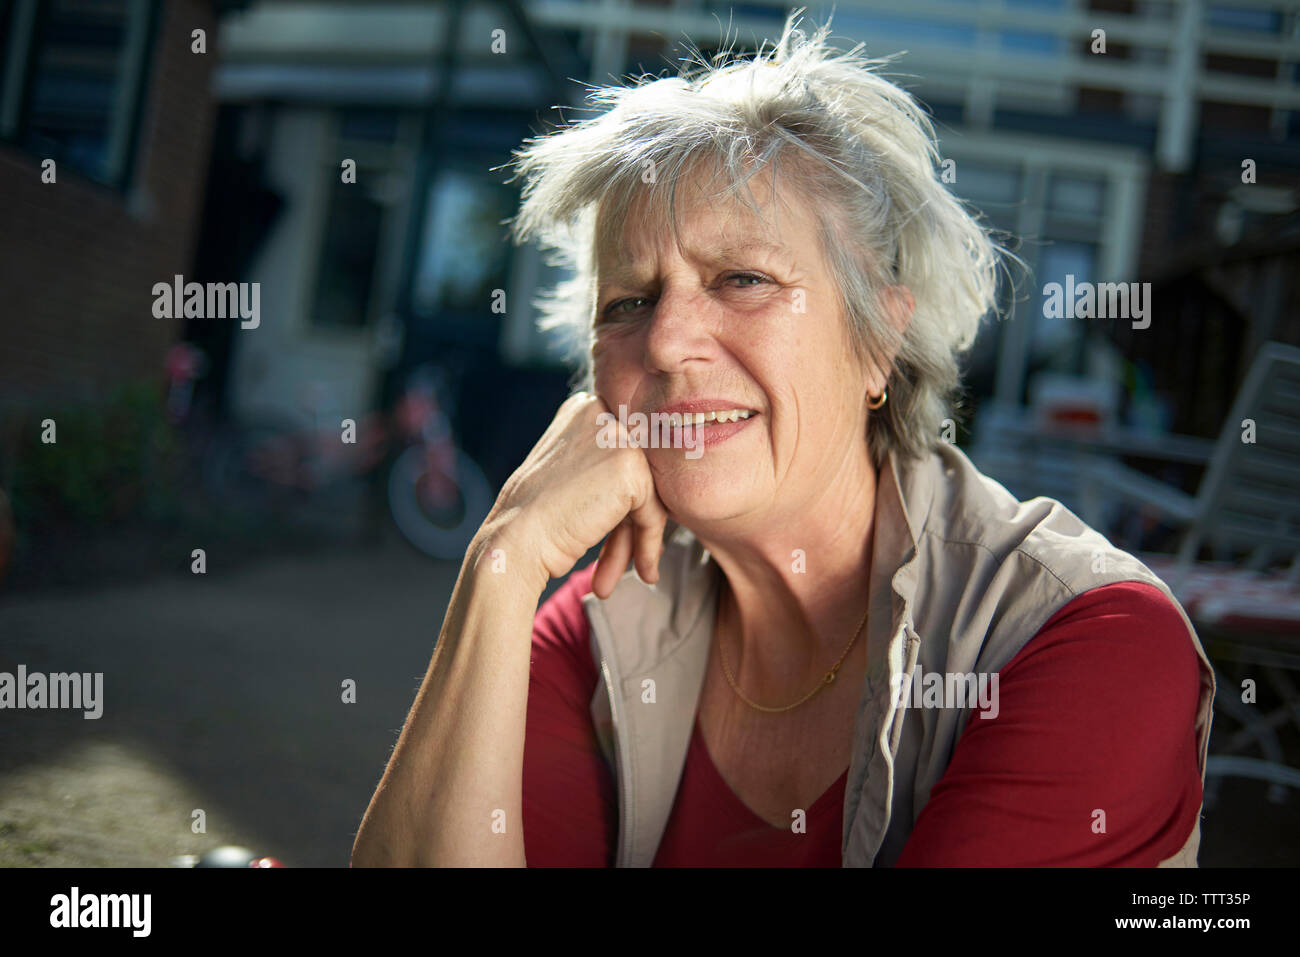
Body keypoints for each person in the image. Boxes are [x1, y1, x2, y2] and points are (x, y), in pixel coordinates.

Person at [351, 15, 1215, 867]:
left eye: (743, 278)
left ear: (876, 340)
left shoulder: (1087, 640)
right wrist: (503, 558)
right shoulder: (600, 630)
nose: (664, 342)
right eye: (628, 302)